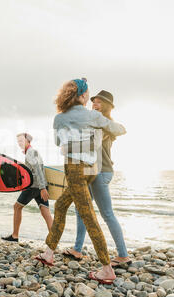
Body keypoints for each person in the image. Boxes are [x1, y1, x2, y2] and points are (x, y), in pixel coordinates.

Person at [34, 78, 126, 284]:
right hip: (93, 169)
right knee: (61, 205)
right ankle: (49, 253)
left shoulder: (59, 118)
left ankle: (107, 269)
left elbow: (59, 143)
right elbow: (120, 130)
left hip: (75, 169)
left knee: (88, 215)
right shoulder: (93, 115)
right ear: (83, 96)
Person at [62, 90, 132, 267]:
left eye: (99, 102)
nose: (95, 104)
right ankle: (77, 249)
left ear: (107, 106)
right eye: (94, 101)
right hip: (90, 170)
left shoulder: (107, 124)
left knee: (107, 213)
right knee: (81, 210)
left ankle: (123, 255)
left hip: (101, 171)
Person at [2, 133, 53, 242]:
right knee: (45, 211)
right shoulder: (32, 152)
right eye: (18, 141)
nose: (19, 143)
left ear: (28, 141)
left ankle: (15, 235)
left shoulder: (31, 152)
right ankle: (54, 238)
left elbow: (38, 169)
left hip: (34, 186)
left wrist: (42, 188)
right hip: (40, 185)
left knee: (17, 207)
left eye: (21, 141)